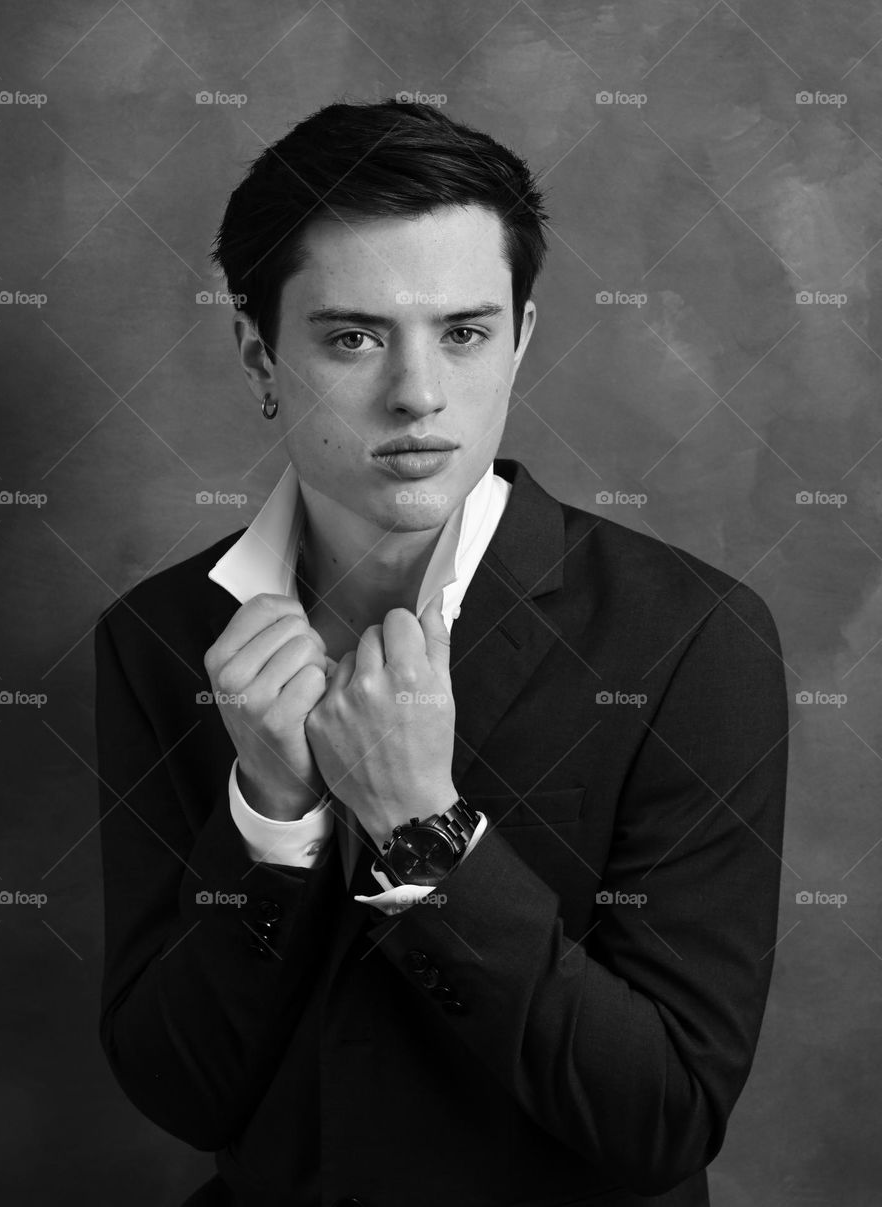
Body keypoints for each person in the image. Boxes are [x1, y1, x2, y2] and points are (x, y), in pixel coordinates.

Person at [94, 98, 789, 1207]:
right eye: (353, 336)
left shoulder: (690, 639)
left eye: (463, 331)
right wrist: (269, 822)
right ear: (257, 348)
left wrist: (427, 833)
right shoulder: (156, 637)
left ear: (520, 336)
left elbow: (662, 1115)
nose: (417, 393)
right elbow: (185, 1091)